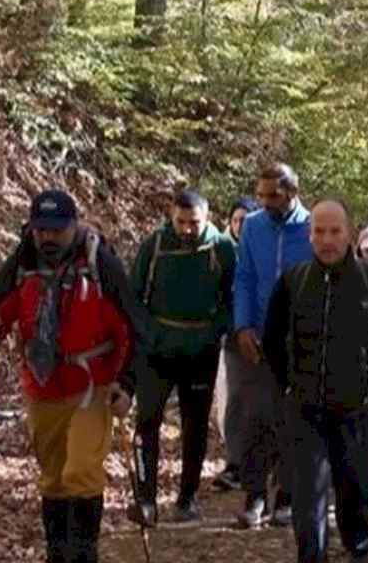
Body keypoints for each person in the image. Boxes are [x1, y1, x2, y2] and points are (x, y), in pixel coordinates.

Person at [0, 189, 147, 563]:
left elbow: (135, 327)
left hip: (93, 385)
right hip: (42, 385)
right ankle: (57, 554)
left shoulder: (99, 263)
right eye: (41, 230)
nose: (48, 238)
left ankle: (84, 555)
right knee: (53, 477)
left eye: (56, 230)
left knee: (81, 471)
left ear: (74, 225)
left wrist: (127, 382)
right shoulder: (23, 259)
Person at [262, 198, 368, 563]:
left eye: (335, 231)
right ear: (310, 236)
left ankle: (359, 547)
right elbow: (273, 341)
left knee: (355, 494)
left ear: (350, 234)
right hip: (306, 410)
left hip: (357, 412)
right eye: (320, 231)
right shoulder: (293, 281)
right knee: (308, 499)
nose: (327, 239)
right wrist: (288, 388)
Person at [128, 190, 236, 525]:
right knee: (146, 422)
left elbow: (233, 297)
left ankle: (187, 499)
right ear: (171, 217)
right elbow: (133, 297)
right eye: (181, 222)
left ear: (206, 218)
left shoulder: (222, 248)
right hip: (157, 351)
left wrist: (213, 331)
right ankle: (145, 500)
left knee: (195, 427)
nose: (187, 229)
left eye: (194, 223)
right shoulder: (155, 245)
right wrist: (150, 334)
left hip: (201, 351)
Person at [233, 163, 314, 528]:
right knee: (257, 416)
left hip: (302, 340)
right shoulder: (253, 225)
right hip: (260, 338)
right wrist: (243, 325)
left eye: (273, 196)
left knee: (293, 417)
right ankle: (254, 496)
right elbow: (245, 277)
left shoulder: (313, 227)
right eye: (261, 194)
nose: (264, 202)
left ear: (291, 193)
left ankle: (286, 495)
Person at [213, 197, 260, 492]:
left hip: (267, 332)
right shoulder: (221, 252)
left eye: (246, 219)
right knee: (235, 399)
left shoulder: (264, 247)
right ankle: (235, 462)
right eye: (236, 219)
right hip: (233, 336)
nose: (240, 225)